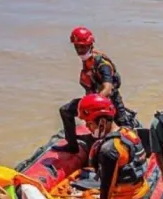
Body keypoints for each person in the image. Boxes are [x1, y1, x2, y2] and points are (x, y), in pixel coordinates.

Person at [56, 26, 138, 154]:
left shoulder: (102, 64)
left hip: (108, 104)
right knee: (66, 110)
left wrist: (93, 104)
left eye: (82, 47)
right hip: (92, 101)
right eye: (77, 47)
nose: (79, 50)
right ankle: (72, 145)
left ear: (90, 45)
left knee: (123, 134)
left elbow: (108, 88)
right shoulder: (88, 62)